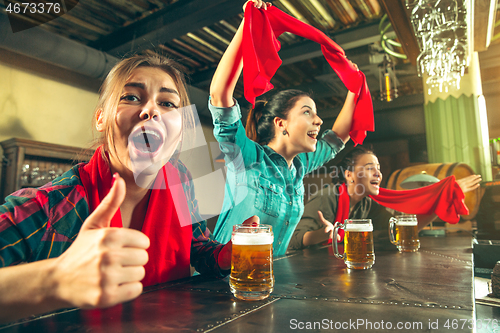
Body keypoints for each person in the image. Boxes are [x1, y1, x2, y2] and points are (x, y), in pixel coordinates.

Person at [0, 52, 253, 324]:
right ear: (101, 119)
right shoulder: (54, 204)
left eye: (167, 103)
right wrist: (54, 280)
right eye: (131, 97)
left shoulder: (180, 182)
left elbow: (196, 245)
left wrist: (225, 255)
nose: (151, 110)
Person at [209, 0, 358, 256]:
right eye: (307, 112)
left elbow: (337, 138)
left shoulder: (300, 165)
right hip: (221, 285)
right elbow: (220, 95)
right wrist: (249, 24)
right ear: (281, 124)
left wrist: (355, 90)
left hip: (269, 283)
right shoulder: (247, 157)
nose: (319, 121)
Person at [288, 146, 482, 251]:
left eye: (378, 168)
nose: (378, 174)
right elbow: (295, 240)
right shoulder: (328, 197)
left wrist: (442, 201)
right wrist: (324, 234)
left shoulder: (366, 203)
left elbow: (396, 233)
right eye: (370, 167)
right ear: (349, 175)